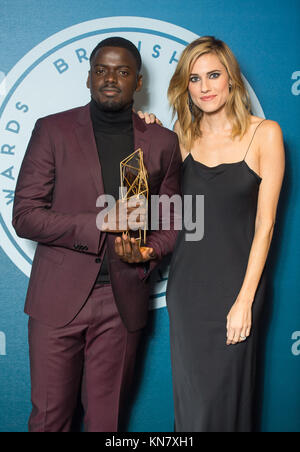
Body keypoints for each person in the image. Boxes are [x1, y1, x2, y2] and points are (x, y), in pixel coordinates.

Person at [12, 37, 181, 432]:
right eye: (101, 70)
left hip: (122, 302)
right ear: (88, 78)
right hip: (57, 299)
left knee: (107, 423)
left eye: (122, 72)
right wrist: (97, 223)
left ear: (138, 82)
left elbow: (175, 219)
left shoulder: (161, 142)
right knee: (50, 419)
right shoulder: (51, 130)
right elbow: (25, 216)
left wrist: (148, 253)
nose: (110, 79)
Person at [165, 36, 285, 432]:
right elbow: (154, 204)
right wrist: (146, 127)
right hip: (187, 292)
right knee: (194, 412)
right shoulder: (179, 138)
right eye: (195, 79)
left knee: (227, 405)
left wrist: (245, 300)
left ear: (231, 79)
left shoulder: (265, 133)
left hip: (238, 290)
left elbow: (265, 225)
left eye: (214, 75)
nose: (205, 87)